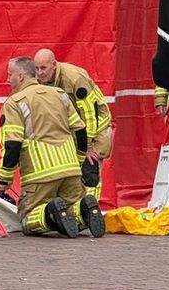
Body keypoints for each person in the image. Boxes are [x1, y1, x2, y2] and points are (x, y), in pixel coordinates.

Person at [0, 57, 104, 238]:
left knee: (27, 219)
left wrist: (3, 183)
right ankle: (84, 210)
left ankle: (49, 212)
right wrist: (77, 162)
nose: (8, 79)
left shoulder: (14, 103)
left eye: (10, 75)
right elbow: (80, 130)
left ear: (21, 77)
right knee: (70, 209)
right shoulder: (60, 94)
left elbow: (12, 146)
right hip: (70, 170)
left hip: (39, 175)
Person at [33, 49, 113, 202]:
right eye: (36, 68)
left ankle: (90, 210)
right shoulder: (39, 82)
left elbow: (90, 114)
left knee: (89, 170)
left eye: (43, 68)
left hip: (95, 127)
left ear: (54, 65)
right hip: (73, 129)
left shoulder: (74, 78)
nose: (39, 73)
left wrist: (87, 146)